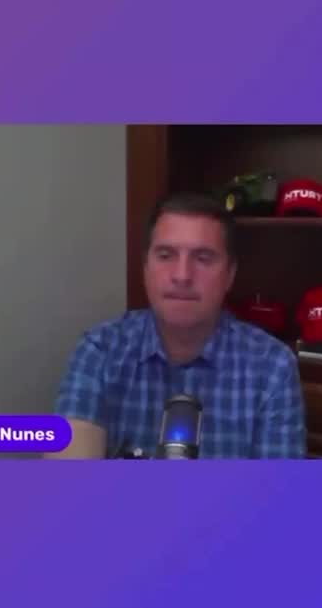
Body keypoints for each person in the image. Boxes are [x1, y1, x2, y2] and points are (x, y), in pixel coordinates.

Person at [46, 193, 306, 459]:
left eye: (203, 258)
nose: (182, 276)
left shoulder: (272, 367)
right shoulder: (100, 350)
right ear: (145, 268)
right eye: (166, 255)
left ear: (229, 275)